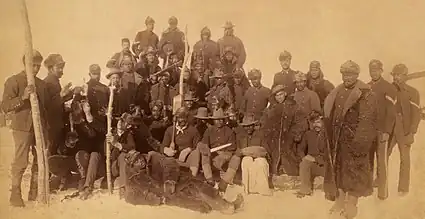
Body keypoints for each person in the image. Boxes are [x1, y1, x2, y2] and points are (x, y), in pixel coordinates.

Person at [323, 60, 377, 219]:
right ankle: (339, 200)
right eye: (345, 74)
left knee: (354, 172)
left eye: (351, 74)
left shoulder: (365, 93)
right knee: (339, 169)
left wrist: (360, 142)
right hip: (338, 139)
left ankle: (351, 203)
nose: (347, 77)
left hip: (355, 140)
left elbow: (368, 120)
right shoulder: (337, 92)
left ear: (357, 75)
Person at [123, 150, 243, 214]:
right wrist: (153, 199)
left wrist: (169, 180)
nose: (140, 162)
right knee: (196, 203)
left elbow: (170, 163)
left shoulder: (152, 156)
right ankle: (216, 207)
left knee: (199, 187)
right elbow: (130, 196)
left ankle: (226, 206)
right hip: (167, 196)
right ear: (132, 165)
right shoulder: (133, 176)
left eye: (139, 158)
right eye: (136, 162)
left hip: (177, 182)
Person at [1, 50, 50, 207]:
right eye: (32, 65)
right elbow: (5, 106)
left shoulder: (42, 84)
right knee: (21, 161)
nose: (35, 69)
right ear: (25, 64)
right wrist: (22, 97)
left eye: (38, 66)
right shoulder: (13, 81)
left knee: (40, 159)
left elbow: (45, 108)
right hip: (21, 127)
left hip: (39, 128)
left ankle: (35, 192)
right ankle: (15, 194)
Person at [261, 84, 306, 189]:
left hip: (289, 138)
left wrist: (295, 135)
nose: (279, 97)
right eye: (277, 95)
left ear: (285, 94)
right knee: (274, 156)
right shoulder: (271, 108)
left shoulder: (294, 106)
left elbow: (301, 122)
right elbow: (264, 122)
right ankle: (277, 172)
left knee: (290, 156)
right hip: (275, 138)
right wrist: (268, 133)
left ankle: (291, 175)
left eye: (281, 94)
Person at [388, 63, 421, 197]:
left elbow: (416, 113)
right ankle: (379, 183)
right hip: (390, 127)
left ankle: (403, 188)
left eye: (399, 75)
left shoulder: (413, 92)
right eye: (395, 75)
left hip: (404, 127)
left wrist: (412, 131)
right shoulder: (389, 90)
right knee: (383, 155)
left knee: (405, 158)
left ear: (405, 76)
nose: (396, 78)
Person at [367, 59, 397, 200]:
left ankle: (382, 193)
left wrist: (387, 131)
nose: (374, 72)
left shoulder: (388, 87)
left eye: (376, 70)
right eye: (371, 70)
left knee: (382, 161)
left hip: (382, 131)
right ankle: (368, 188)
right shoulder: (366, 87)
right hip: (369, 131)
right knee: (368, 160)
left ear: (381, 71)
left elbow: (391, 112)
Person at [197, 108, 239, 192]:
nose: (219, 122)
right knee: (204, 155)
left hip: (224, 158)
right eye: (216, 120)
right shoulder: (209, 130)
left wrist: (224, 156)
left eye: (221, 119)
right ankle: (210, 180)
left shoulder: (229, 131)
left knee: (236, 159)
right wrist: (206, 149)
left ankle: (224, 183)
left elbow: (231, 149)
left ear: (224, 120)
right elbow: (203, 144)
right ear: (213, 120)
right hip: (212, 156)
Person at [44, 54, 73, 155]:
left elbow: (59, 99)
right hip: (51, 125)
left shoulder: (54, 82)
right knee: (50, 152)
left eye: (62, 67)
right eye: (59, 67)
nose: (61, 70)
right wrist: (62, 95)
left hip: (56, 124)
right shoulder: (48, 83)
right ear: (51, 68)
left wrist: (72, 93)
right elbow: (48, 105)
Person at [237, 115, 271, 196]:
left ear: (253, 126)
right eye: (246, 126)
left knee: (260, 162)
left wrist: (253, 152)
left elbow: (265, 150)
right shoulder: (241, 136)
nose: (248, 128)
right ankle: (247, 189)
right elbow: (239, 151)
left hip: (260, 158)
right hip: (247, 159)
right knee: (246, 160)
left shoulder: (260, 135)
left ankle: (263, 190)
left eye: (250, 126)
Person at [162, 107, 201, 176]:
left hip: (188, 160)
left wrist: (189, 150)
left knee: (196, 153)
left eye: (185, 117)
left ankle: (192, 177)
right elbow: (163, 146)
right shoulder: (170, 130)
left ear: (188, 118)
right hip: (173, 160)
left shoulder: (193, 131)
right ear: (176, 118)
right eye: (180, 118)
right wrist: (166, 150)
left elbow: (198, 147)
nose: (182, 120)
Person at [295, 113, 326, 198]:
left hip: (325, 166)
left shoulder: (328, 136)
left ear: (323, 122)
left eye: (318, 122)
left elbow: (329, 154)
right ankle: (305, 190)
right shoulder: (308, 134)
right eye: (314, 123)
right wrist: (304, 157)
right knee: (304, 163)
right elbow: (300, 149)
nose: (316, 125)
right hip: (312, 165)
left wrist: (316, 159)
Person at [107, 113, 137, 198]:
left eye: (123, 122)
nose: (120, 122)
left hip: (124, 167)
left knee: (123, 155)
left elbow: (132, 148)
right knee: (122, 156)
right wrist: (112, 143)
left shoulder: (129, 135)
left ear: (128, 126)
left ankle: (123, 188)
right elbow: (107, 153)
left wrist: (117, 144)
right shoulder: (111, 133)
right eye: (120, 120)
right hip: (113, 167)